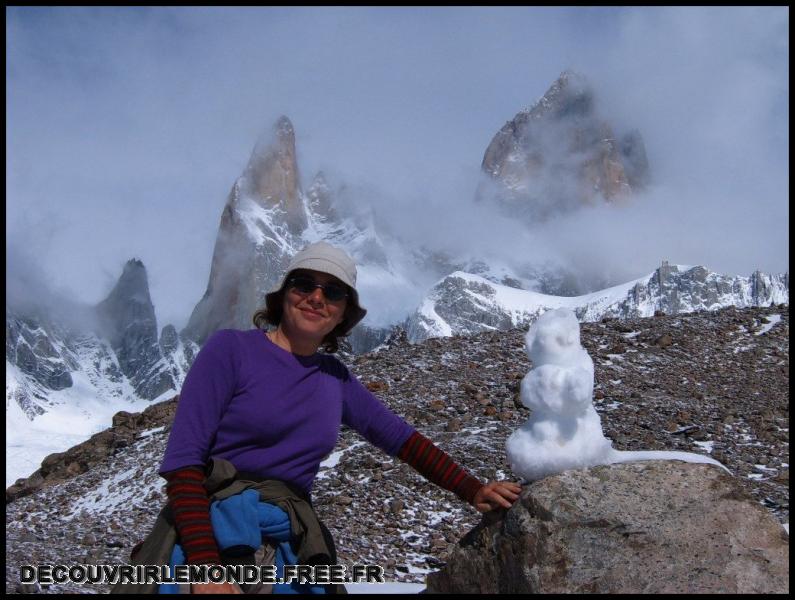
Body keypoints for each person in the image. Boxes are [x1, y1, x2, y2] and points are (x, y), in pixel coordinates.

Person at [157, 241, 522, 594]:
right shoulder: (230, 350)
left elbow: (402, 440)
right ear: (283, 294)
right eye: (304, 284)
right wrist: (206, 570)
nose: (316, 298)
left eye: (333, 292)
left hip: (291, 540)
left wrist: (472, 489)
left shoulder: (336, 378)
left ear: (343, 313)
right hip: (212, 533)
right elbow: (184, 461)